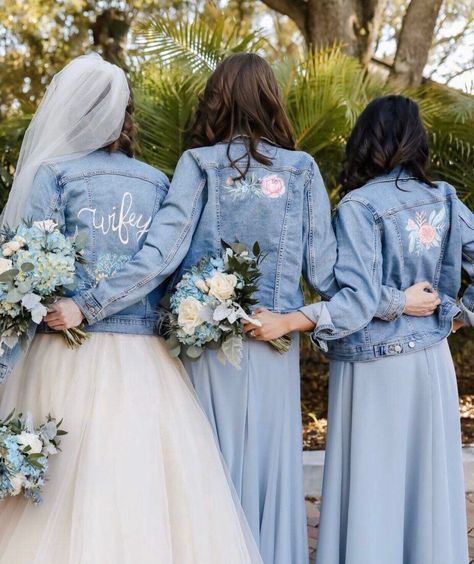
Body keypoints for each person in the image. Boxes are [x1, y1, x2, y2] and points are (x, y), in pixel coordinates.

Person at [48, 56, 438, 564]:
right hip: (275, 347)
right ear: (272, 100)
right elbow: (335, 280)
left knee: (208, 475)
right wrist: (396, 301)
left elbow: (160, 257)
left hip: (206, 347)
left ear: (216, 100)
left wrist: (88, 304)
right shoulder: (301, 171)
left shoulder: (198, 165)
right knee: (271, 475)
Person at [0, 54, 262, 564]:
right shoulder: (157, 180)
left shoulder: (50, 175)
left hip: (63, 349)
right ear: (125, 116)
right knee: (141, 484)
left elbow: (21, 270)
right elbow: (164, 264)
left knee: (62, 482)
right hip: (144, 360)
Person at [244, 95, 472, 564]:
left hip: (374, 368)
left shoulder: (359, 206)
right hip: (433, 361)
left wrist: (291, 320)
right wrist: (455, 313)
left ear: (367, 140)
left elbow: (356, 300)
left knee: (374, 485)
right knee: (427, 484)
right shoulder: (444, 197)